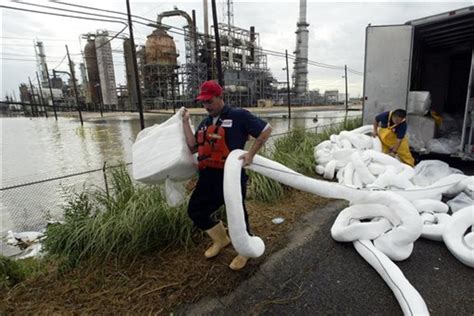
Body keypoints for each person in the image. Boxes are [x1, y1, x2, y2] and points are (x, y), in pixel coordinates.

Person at [182, 80, 272, 270]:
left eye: (210, 101)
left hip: (231, 177)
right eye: (203, 102)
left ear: (220, 97)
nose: (206, 106)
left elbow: (265, 130)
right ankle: (221, 240)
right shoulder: (205, 123)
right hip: (208, 178)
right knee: (195, 211)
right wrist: (184, 122)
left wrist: (251, 154)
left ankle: (244, 250)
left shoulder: (238, 115)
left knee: (237, 215)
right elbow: (192, 147)